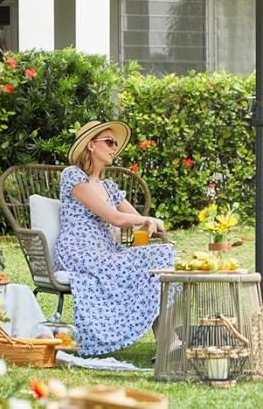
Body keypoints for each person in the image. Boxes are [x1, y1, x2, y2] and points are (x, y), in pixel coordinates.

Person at [55, 120, 175, 356]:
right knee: (156, 258)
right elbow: (116, 218)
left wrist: (148, 220)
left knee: (163, 254)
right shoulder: (73, 176)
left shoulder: (108, 186)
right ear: (90, 145)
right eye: (109, 142)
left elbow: (135, 217)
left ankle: (168, 340)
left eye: (115, 144)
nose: (114, 148)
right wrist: (148, 220)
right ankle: (168, 342)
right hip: (80, 250)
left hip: (106, 250)